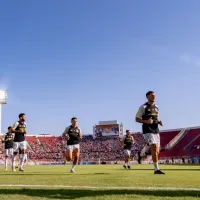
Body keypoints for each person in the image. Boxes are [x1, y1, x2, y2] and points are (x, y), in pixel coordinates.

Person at [135, 91, 165, 174]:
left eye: (154, 95)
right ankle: (156, 169)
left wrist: (159, 122)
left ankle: (141, 154)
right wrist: (146, 121)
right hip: (147, 130)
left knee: (157, 151)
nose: (154, 97)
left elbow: (155, 118)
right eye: (152, 95)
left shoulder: (157, 107)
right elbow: (136, 119)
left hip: (156, 130)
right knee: (154, 147)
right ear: (147, 97)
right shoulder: (143, 107)